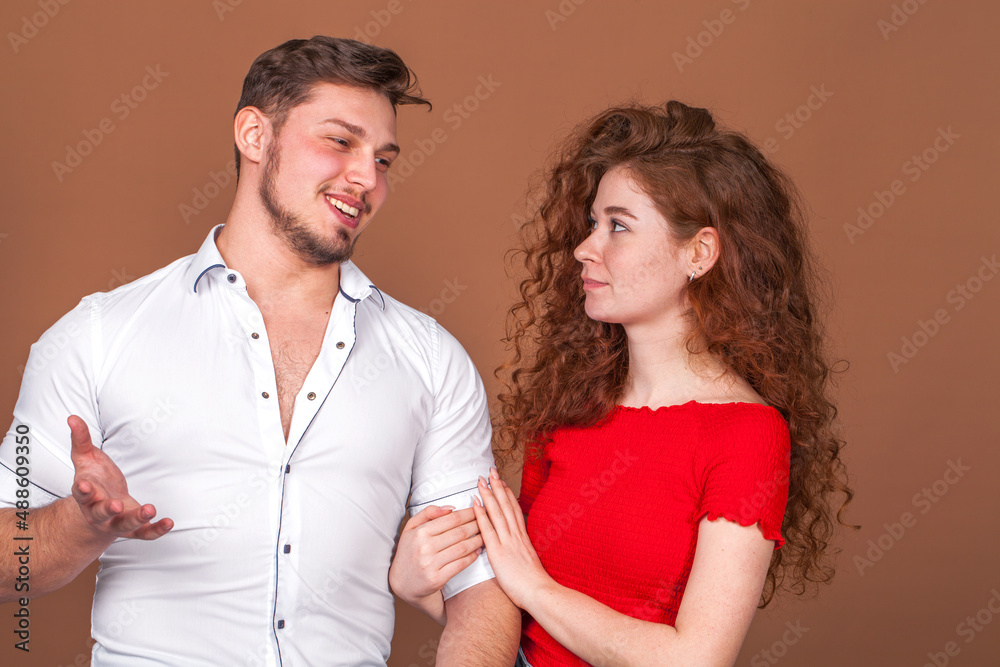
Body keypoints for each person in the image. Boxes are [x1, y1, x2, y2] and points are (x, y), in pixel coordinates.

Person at [0, 36, 520, 666]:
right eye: (340, 141)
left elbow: (480, 587)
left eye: (384, 159)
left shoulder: (432, 360)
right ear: (253, 134)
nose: (366, 178)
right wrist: (80, 527)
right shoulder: (97, 335)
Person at [392, 100, 854, 666]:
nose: (586, 248)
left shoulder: (748, 435)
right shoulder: (573, 410)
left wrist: (533, 585)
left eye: (618, 226)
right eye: (592, 223)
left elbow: (695, 660)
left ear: (699, 252)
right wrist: (424, 589)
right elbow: (516, 626)